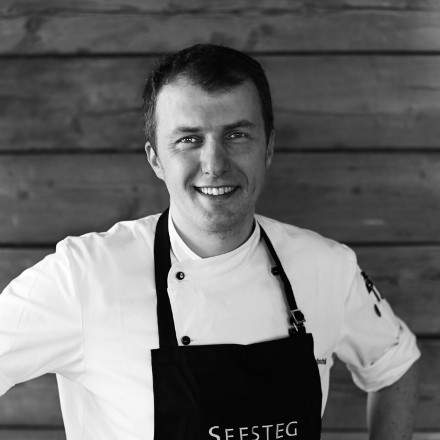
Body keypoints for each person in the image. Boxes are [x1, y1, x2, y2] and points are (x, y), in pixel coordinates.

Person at [0, 44, 419, 439]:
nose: (214, 164)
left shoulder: (327, 266)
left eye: (237, 135)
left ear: (268, 148)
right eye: (189, 139)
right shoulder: (83, 276)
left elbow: (395, 366)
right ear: (155, 159)